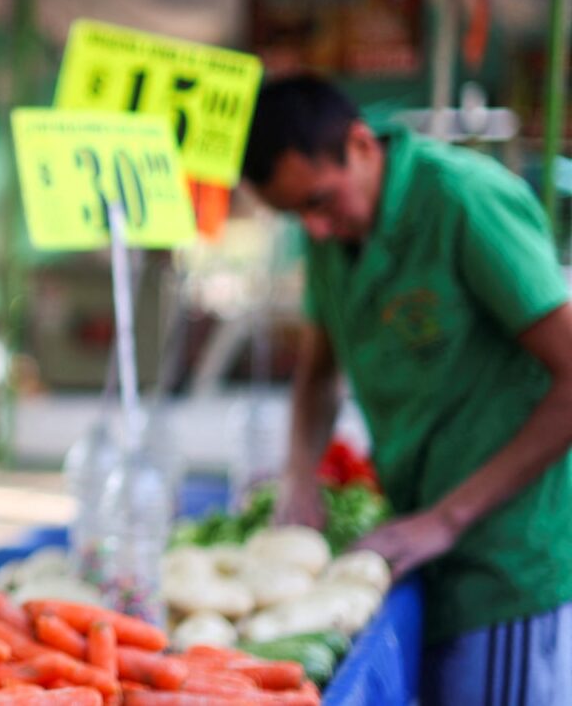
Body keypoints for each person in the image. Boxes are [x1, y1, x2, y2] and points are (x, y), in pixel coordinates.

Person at [242, 75, 572, 703]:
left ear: (361, 145)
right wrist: (300, 476)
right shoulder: (333, 230)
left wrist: (448, 519)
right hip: (420, 541)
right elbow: (318, 371)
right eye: (295, 215)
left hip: (503, 561)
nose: (311, 229)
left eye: (318, 202)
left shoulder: (462, 201)